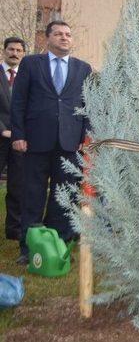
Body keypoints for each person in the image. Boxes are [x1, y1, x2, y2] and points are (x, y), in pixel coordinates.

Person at [11, 21, 92, 264]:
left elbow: (88, 106)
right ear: (48, 38)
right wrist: (18, 135)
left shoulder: (83, 68)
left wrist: (84, 137)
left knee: (64, 195)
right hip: (35, 141)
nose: (64, 38)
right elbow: (19, 101)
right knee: (33, 194)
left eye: (68, 34)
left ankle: (58, 243)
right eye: (58, 34)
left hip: (70, 143)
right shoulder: (31, 64)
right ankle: (30, 247)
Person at [1, 37, 26, 241]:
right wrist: (2, 130)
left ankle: (14, 230)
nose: (14, 53)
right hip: (0, 137)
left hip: (19, 141)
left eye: (19, 50)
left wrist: (20, 133)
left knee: (17, 186)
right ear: (4, 51)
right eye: (11, 49)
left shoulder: (26, 77)